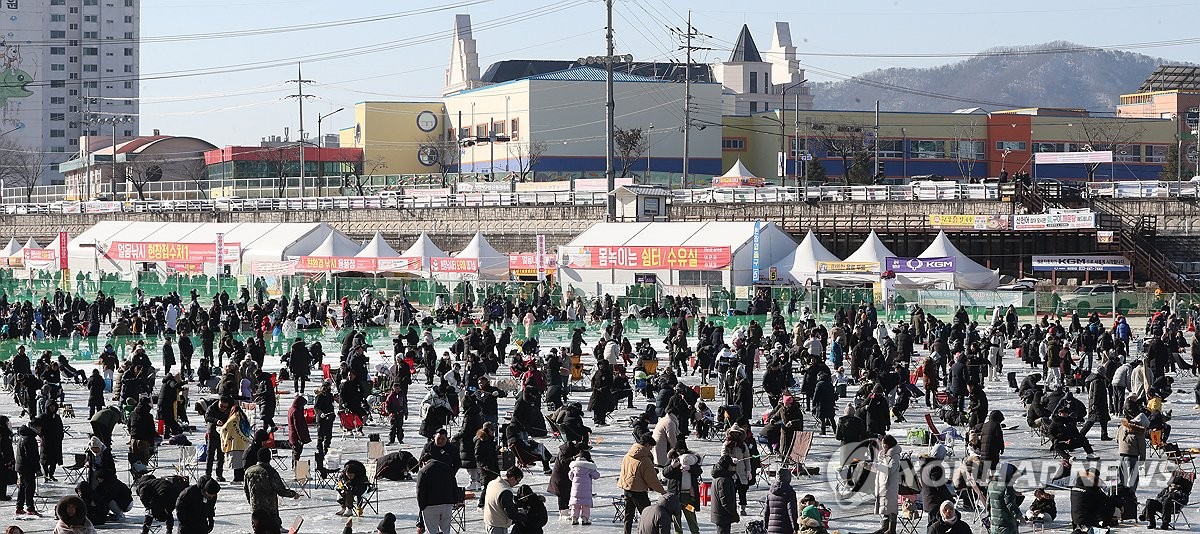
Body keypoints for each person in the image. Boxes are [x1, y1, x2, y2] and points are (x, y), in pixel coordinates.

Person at [243, 448, 300, 533]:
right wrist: (293, 494)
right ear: (269, 458)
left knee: (258, 530)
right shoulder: (270, 472)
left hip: (255, 508)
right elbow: (281, 490)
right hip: (269, 510)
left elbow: (246, 489)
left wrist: (251, 502)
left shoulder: (249, 471)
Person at [618, 436, 666, 534]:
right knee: (647, 516)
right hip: (639, 491)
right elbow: (652, 480)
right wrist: (662, 491)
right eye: (651, 447)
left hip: (627, 489)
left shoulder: (628, 455)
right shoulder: (645, 460)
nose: (651, 450)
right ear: (647, 445)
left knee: (628, 515)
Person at [416, 457, 462, 534]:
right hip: (447, 504)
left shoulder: (423, 471)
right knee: (446, 530)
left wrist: (422, 506)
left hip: (430, 505)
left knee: (432, 530)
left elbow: (420, 490)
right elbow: (454, 486)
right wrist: (456, 500)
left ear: (424, 462)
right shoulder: (447, 468)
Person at [870, 434, 901, 534]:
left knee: (890, 505)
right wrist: (868, 466)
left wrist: (876, 466)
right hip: (882, 483)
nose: (883, 446)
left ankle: (892, 529)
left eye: (884, 444)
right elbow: (880, 469)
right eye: (882, 444)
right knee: (884, 505)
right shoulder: (883, 455)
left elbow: (890, 470)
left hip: (890, 484)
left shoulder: (894, 455)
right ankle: (884, 526)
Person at [483, 467, 523, 534]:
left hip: (489, 521)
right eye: (517, 481)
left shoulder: (493, 483)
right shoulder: (505, 491)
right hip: (498, 525)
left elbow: (497, 499)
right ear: (512, 477)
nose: (517, 483)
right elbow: (510, 513)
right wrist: (524, 517)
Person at [986, 463, 1022, 534]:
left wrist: (989, 517)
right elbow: (1010, 504)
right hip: (1007, 525)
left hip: (995, 525)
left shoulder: (991, 484)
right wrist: (1019, 516)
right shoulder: (1007, 486)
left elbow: (988, 503)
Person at [568, 450, 600, 526]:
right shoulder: (589, 467)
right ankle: (584, 519)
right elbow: (596, 476)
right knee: (585, 505)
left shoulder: (574, 466)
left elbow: (570, 476)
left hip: (575, 490)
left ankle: (574, 518)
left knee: (575, 505)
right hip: (586, 491)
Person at [763, 467, 799, 534]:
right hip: (785, 528)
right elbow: (792, 512)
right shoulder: (789, 492)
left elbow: (766, 512)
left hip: (771, 529)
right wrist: (795, 527)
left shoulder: (770, 492)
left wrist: (766, 526)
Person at [710, 455, 740, 534]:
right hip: (722, 515)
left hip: (720, 514)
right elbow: (725, 500)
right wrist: (733, 513)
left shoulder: (719, 476)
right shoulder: (723, 480)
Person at [14, 423, 39, 516]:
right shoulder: (30, 439)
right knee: (29, 488)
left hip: (21, 467)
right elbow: (32, 456)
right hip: (27, 468)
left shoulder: (23, 437)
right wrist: (37, 468)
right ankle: (30, 508)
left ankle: (19, 507)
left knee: (22, 487)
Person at [286, 395, 310, 468]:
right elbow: (298, 426)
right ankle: (295, 468)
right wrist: (302, 438)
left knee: (295, 452)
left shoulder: (291, 409)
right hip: (296, 436)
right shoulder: (296, 411)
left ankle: (294, 466)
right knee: (297, 452)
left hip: (292, 435)